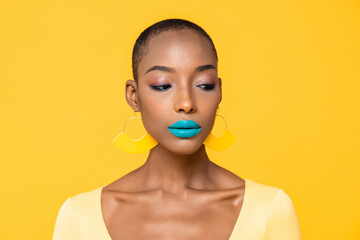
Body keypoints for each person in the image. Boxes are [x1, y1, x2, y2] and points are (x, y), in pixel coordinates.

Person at [53, 18, 301, 240]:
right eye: (163, 86)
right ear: (133, 96)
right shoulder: (79, 217)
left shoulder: (269, 210)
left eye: (204, 85)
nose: (186, 104)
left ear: (219, 92)